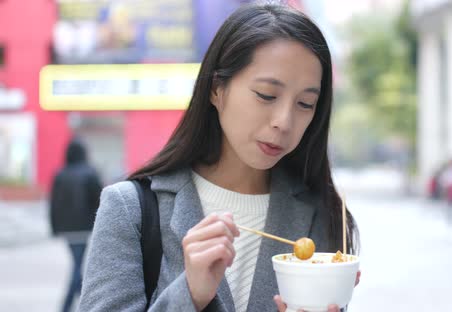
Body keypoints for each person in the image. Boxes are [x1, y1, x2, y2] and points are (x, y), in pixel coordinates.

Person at [79, 4, 360, 312]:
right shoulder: (130, 209)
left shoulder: (322, 213)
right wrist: (190, 295)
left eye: (305, 103)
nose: (284, 121)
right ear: (217, 88)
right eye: (266, 95)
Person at [49, 138, 102, 312]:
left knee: (77, 264)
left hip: (67, 230)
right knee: (77, 266)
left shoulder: (59, 174)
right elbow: (99, 201)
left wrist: (54, 227)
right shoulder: (90, 173)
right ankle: (71, 305)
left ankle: (80, 303)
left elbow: (53, 204)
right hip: (84, 228)